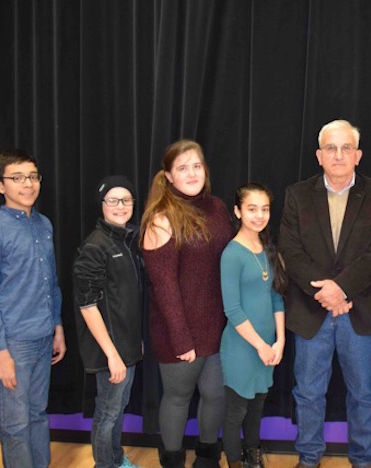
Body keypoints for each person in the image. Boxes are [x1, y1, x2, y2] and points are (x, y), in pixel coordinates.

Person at [279, 119, 371, 468]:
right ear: (319, 155)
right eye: (331, 147)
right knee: (308, 393)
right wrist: (326, 293)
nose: (339, 154)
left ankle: (362, 460)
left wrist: (341, 289)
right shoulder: (297, 195)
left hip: (359, 312)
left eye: (346, 147)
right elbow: (290, 249)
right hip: (312, 310)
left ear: (358, 155)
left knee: (363, 394)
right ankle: (309, 457)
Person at [141, 140, 233, 468]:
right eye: (182, 168)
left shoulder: (218, 208)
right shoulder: (161, 218)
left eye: (197, 165)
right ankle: (173, 461)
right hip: (178, 331)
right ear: (168, 176)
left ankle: (207, 459)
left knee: (216, 395)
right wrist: (181, 339)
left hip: (217, 327)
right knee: (179, 398)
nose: (192, 173)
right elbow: (164, 286)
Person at [0, 149, 67, 467]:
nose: (27, 184)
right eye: (17, 178)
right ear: (0, 186)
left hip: (43, 336)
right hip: (13, 344)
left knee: (38, 415)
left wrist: (58, 328)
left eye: (32, 176)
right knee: (15, 425)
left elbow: (51, 282)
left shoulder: (44, 224)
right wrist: (0, 353)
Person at [73, 175, 143, 468]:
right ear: (101, 204)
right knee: (107, 412)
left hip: (126, 348)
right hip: (109, 352)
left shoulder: (126, 241)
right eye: (113, 200)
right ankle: (105, 464)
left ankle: (115, 459)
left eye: (126, 200)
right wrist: (112, 355)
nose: (120, 206)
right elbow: (87, 306)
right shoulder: (95, 246)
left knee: (118, 409)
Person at [220, 183, 287, 468]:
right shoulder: (231, 254)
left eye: (264, 209)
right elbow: (232, 309)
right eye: (251, 209)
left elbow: (276, 298)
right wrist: (260, 345)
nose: (259, 215)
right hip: (242, 347)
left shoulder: (267, 248)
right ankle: (235, 461)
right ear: (238, 211)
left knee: (257, 407)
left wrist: (279, 341)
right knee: (236, 411)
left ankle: (253, 456)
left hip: (268, 347)